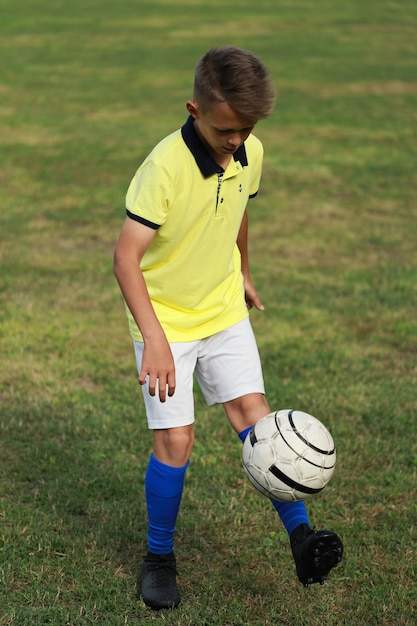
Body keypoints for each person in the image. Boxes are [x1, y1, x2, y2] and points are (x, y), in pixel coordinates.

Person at [113, 46, 343, 611]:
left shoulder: (249, 150)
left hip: (221, 310)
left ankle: (301, 537)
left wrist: (242, 271)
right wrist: (157, 340)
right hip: (164, 319)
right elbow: (125, 258)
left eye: (246, 130)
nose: (236, 141)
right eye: (226, 130)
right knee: (176, 440)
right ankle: (159, 557)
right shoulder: (163, 167)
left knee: (255, 418)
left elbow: (238, 209)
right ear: (194, 109)